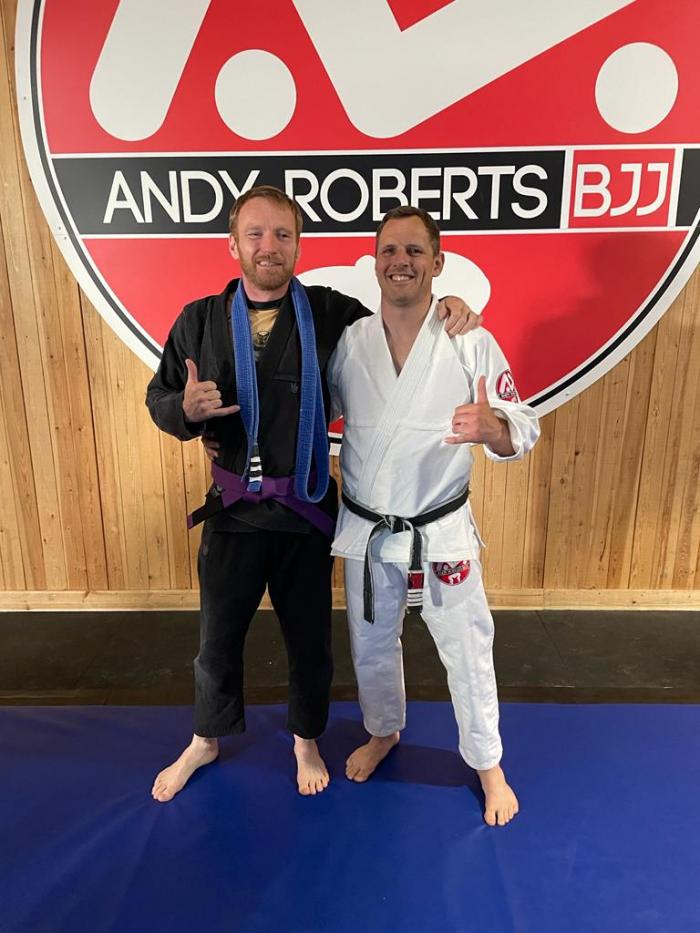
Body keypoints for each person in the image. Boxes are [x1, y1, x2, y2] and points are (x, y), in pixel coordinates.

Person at [145, 186, 480, 801]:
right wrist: (184, 411)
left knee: (309, 641)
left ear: (299, 245)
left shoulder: (330, 313)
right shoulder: (198, 320)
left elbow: (400, 321)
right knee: (216, 639)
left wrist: (451, 306)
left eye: (283, 235)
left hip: (306, 513)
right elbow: (159, 397)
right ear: (233, 244)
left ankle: (305, 738)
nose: (269, 246)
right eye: (255, 234)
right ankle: (205, 737)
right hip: (233, 513)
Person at [327, 206, 540, 826]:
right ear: (375, 263)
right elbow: (312, 409)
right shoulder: (352, 343)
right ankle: (383, 730)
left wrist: (493, 427)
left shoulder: (469, 339)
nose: (401, 262)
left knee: (468, 649)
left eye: (415, 251)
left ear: (438, 262)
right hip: (369, 530)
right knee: (370, 644)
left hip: (441, 530)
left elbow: (523, 427)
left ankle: (488, 764)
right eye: (390, 251)